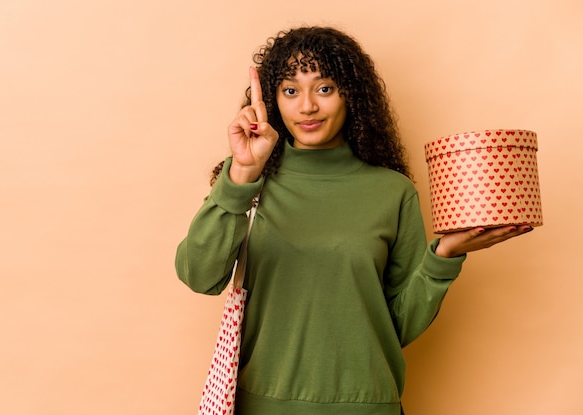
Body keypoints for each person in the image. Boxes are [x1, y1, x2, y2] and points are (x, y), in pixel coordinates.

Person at [175, 26, 532, 415]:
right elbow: (199, 275)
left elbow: (396, 326)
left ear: (352, 96)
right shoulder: (250, 180)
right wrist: (242, 173)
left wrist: (443, 256)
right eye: (291, 90)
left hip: (367, 405)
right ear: (274, 100)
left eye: (324, 88)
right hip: (263, 406)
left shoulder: (391, 191)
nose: (307, 106)